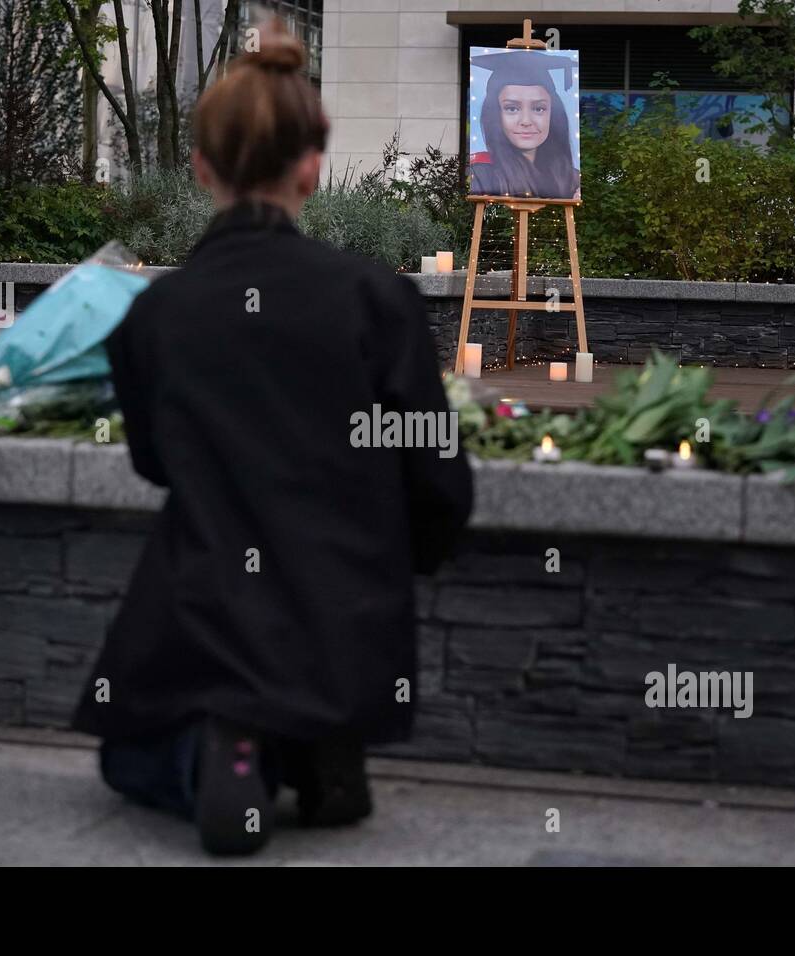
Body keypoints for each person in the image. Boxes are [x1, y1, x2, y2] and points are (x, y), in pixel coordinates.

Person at [71, 22, 473, 857]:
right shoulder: (374, 299)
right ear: (312, 166)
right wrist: (396, 560)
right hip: (348, 621)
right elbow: (439, 480)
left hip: (210, 607)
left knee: (125, 759)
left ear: (200, 167)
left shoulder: (153, 316)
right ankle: (310, 743)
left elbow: (153, 462)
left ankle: (236, 749)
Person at [468, 49, 581, 200]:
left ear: (552, 114)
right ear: (495, 115)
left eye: (539, 108)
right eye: (512, 108)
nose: (526, 121)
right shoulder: (481, 174)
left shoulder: (570, 178)